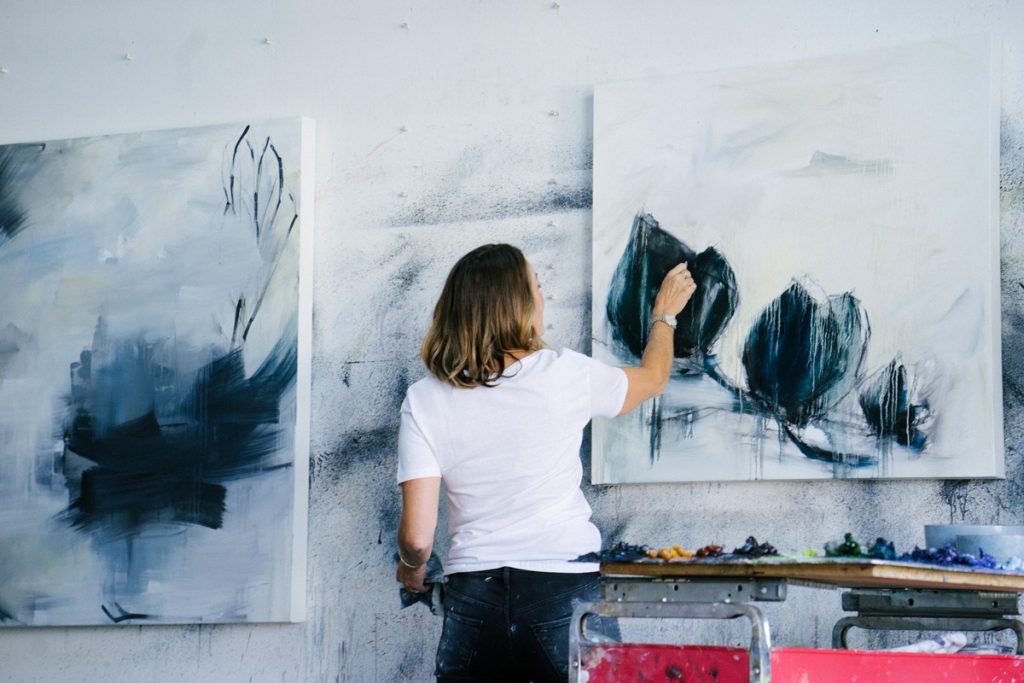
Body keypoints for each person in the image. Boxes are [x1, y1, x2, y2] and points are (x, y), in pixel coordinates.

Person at [395, 243, 696, 682]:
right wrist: (664, 316)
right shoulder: (564, 374)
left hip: (474, 599)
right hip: (563, 587)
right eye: (537, 285)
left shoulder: (424, 399)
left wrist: (412, 569)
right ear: (518, 304)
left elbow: (418, 539)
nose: (543, 295)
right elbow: (652, 379)